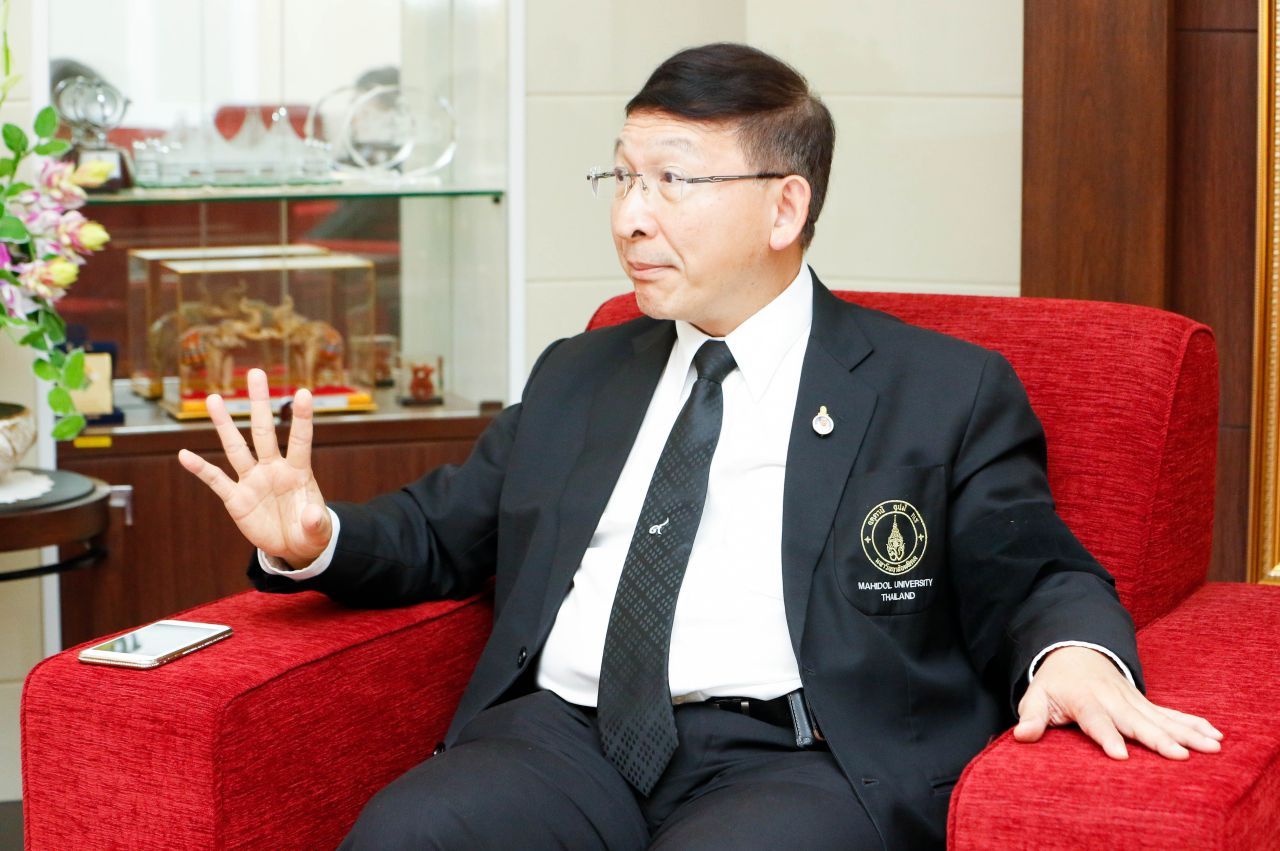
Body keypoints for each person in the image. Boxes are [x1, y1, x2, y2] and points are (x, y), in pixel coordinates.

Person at [178, 43, 1221, 850]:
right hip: (563, 737)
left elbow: (1032, 568)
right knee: (407, 835)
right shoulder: (581, 371)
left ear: (784, 205)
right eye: (621, 176)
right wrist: (314, 537)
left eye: (672, 181)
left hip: (796, 754)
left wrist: (1073, 654)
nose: (631, 217)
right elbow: (440, 530)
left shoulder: (938, 390)